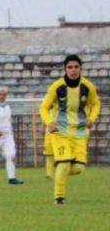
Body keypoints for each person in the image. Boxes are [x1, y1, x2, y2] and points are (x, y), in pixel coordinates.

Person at [40, 54, 100, 205]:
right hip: (60, 131)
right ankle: (59, 197)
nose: (73, 70)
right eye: (70, 67)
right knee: (65, 162)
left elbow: (96, 104)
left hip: (80, 132)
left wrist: (91, 119)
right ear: (65, 69)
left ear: (80, 68)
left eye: (76, 67)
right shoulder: (57, 86)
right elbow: (44, 107)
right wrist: (49, 122)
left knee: (79, 168)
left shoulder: (88, 86)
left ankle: (60, 168)